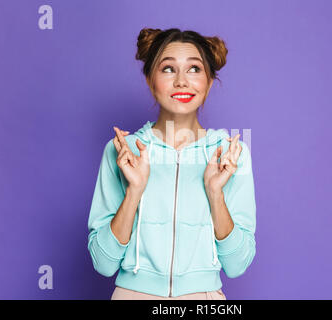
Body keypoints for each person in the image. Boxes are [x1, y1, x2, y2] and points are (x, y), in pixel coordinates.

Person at [87, 28, 257, 300]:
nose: (181, 81)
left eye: (194, 69)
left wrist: (215, 194)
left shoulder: (231, 154)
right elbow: (103, 263)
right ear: (149, 80)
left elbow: (237, 265)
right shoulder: (122, 152)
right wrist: (134, 191)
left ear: (209, 81)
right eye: (168, 69)